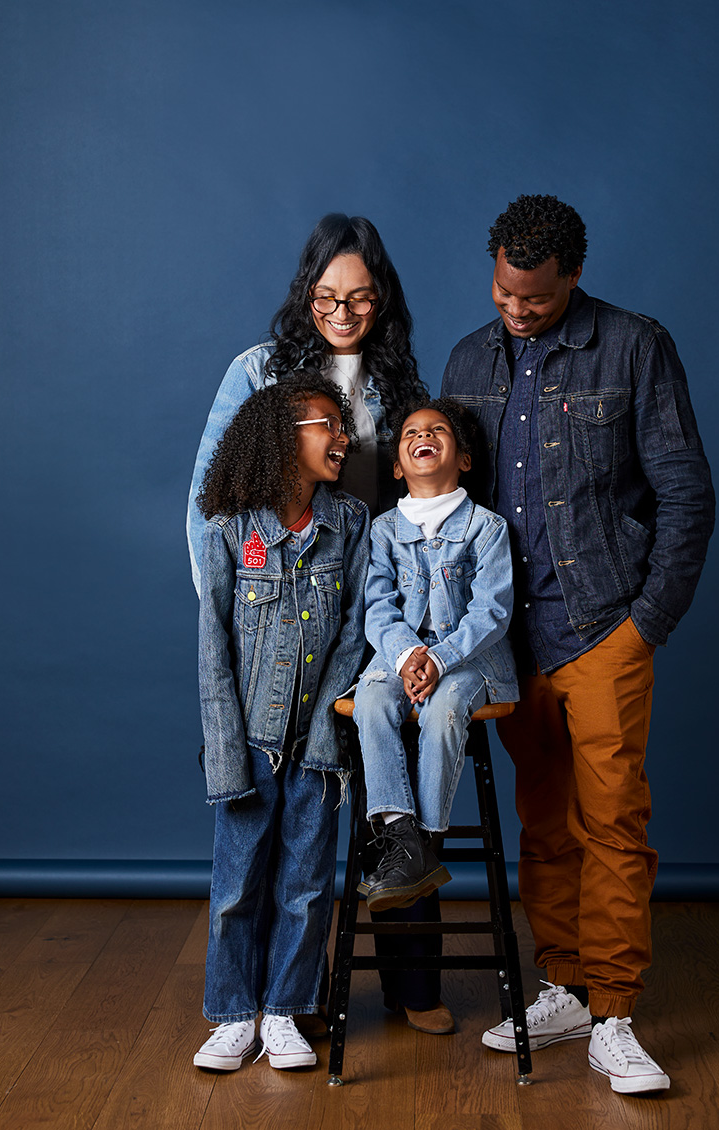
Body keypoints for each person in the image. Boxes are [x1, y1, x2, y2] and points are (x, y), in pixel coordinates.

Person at [441, 195, 715, 1095]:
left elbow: (686, 495)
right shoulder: (468, 357)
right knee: (543, 823)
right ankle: (561, 981)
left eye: (536, 299)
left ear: (574, 277)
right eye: (503, 293)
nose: (515, 312)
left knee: (614, 824)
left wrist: (646, 627)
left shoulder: (635, 347)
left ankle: (615, 1014)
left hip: (602, 630)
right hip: (506, 639)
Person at [187, 214, 453, 1036]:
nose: (343, 313)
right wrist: (231, 619)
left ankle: (412, 985)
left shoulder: (398, 383)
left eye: (362, 299)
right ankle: (259, 1006)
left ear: (383, 303)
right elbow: (209, 504)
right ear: (307, 294)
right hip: (282, 621)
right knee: (286, 815)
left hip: (384, 621)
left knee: (390, 793)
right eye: (328, 296)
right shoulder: (258, 372)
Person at [193, 374, 369, 1072]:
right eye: (329, 425)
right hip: (250, 743)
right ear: (284, 437)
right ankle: (234, 1012)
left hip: (318, 742)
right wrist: (225, 753)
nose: (343, 439)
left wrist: (329, 727)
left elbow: (356, 632)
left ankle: (287, 1009)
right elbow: (213, 650)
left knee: (305, 882)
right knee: (237, 885)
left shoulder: (350, 523)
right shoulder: (229, 532)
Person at [353, 399, 518, 911]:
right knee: (370, 702)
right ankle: (402, 837)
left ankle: (425, 844)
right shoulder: (382, 530)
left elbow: (491, 611)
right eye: (411, 433)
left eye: (438, 430)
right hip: (398, 659)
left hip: (469, 660)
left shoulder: (486, 528)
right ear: (398, 466)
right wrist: (406, 658)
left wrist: (439, 659)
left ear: (463, 458)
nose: (424, 434)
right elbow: (377, 607)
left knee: (445, 709)